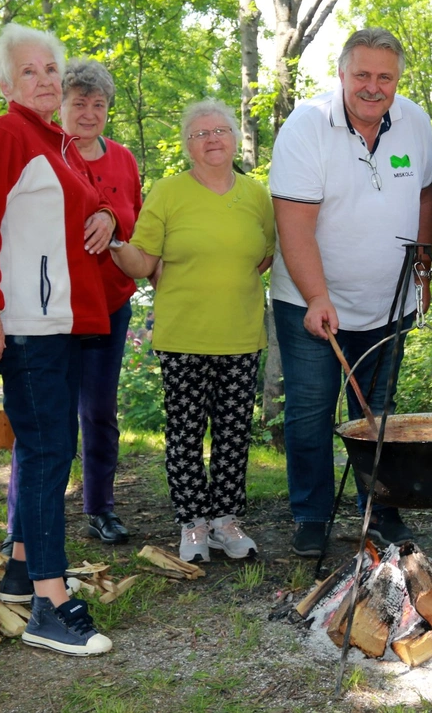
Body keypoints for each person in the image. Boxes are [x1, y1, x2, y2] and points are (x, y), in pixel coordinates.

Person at [0, 23, 115, 658]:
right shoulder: (6, 135)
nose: (45, 80)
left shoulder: (58, 143)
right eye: (30, 73)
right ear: (4, 84)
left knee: (44, 448)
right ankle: (50, 604)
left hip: (59, 323)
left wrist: (105, 214)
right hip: (26, 323)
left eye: (51, 69)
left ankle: (22, 570)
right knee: (49, 453)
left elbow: (91, 207)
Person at [270, 28, 432, 557]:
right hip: (312, 302)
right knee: (311, 412)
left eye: (384, 77)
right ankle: (312, 517)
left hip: (389, 303)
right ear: (341, 74)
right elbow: (293, 228)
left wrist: (423, 271)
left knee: (379, 413)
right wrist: (317, 297)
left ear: (397, 80)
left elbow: (425, 195)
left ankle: (380, 513)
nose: (373, 87)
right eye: (362, 75)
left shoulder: (414, 122)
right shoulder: (307, 128)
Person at [111, 100, 274, 563]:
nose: (213, 139)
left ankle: (225, 522)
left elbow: (265, 254)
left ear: (234, 139)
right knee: (185, 434)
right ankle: (193, 525)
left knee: (233, 433)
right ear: (188, 145)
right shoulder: (167, 192)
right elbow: (143, 261)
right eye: (201, 133)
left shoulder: (256, 195)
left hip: (241, 335)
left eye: (220, 130)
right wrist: (115, 248)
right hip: (183, 336)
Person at [2, 59, 142, 551]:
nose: (88, 113)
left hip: (108, 306)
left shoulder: (123, 159)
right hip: (52, 308)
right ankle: (22, 523)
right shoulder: (42, 151)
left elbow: (135, 221)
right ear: (60, 104)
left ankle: (99, 507)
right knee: (44, 418)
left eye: (98, 104)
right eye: (78, 102)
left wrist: (114, 221)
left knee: (99, 411)